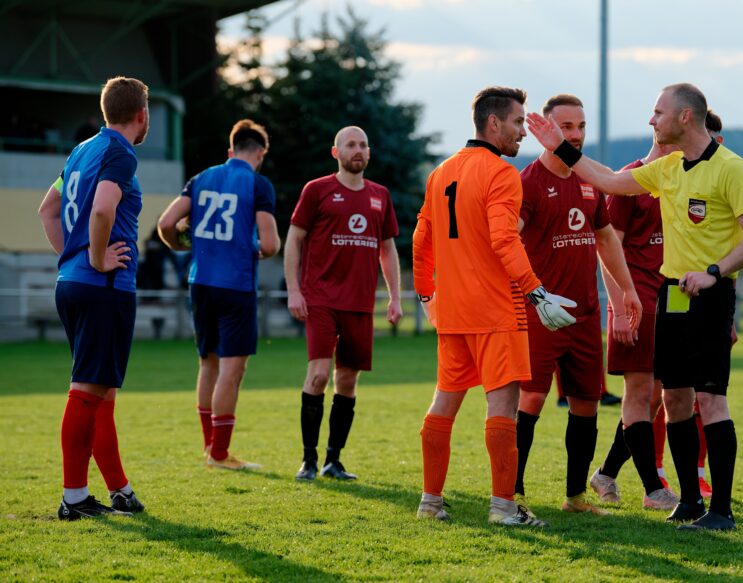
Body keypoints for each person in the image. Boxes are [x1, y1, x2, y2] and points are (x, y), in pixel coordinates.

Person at [526, 83, 743, 530]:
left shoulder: (732, 168)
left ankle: (722, 511)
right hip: (671, 295)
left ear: (685, 118)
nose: (651, 120)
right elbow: (608, 181)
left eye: (658, 112)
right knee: (674, 398)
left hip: (711, 295)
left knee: (711, 401)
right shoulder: (670, 166)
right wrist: (560, 147)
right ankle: (691, 502)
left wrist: (714, 272)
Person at [413, 86, 577, 527]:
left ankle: (430, 502)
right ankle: (504, 508)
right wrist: (536, 291)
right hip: (496, 310)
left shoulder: (440, 172)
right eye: (518, 122)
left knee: (443, 404)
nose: (523, 131)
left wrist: (427, 296)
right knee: (502, 407)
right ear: (493, 124)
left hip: (452, 313)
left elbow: (421, 242)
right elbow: (505, 240)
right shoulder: (502, 174)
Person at [514, 93, 643, 517]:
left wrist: (626, 290)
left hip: (585, 315)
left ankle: (575, 497)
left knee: (587, 404)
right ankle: (511, 491)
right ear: (545, 129)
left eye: (581, 126)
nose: (575, 134)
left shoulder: (591, 181)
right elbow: (507, 241)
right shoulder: (528, 182)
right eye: (567, 127)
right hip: (540, 314)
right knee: (529, 401)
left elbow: (606, 239)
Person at [37, 76, 150, 520]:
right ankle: (73, 497)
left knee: (101, 391)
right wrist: (98, 257)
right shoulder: (122, 152)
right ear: (142, 115)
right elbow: (103, 207)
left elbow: (47, 209)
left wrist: (72, 257)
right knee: (88, 389)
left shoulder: (80, 150)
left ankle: (119, 489)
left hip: (74, 281)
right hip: (102, 287)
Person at [157, 119, 280, 470]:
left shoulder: (201, 178)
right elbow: (270, 244)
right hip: (236, 284)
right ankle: (221, 453)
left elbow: (166, 224)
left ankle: (208, 448)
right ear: (259, 153)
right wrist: (256, 247)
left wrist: (181, 245)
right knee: (232, 368)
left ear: (230, 151)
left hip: (200, 282)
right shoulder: (258, 184)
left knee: (207, 363)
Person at [285, 126, 402, 481]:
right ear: (335, 152)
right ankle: (308, 459)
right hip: (321, 298)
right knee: (319, 375)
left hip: (360, 303)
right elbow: (294, 240)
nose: (358, 149)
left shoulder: (380, 195)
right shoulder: (317, 190)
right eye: (351, 144)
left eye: (364, 144)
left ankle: (333, 461)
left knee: (347, 381)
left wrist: (395, 297)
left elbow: (388, 250)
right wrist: (294, 290)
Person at [592, 136, 683, 510]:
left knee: (654, 401)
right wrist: (618, 308)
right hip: (637, 300)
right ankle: (654, 490)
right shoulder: (630, 180)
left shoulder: (683, 177)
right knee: (639, 394)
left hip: (673, 300)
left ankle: (605, 474)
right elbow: (608, 248)